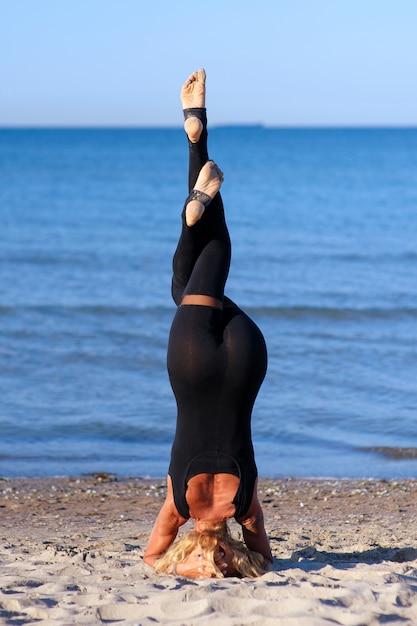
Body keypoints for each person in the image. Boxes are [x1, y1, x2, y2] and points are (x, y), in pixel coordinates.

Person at [143, 69, 273, 578]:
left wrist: (235, 555)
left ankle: (198, 158)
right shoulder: (178, 504)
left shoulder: (245, 506)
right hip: (194, 359)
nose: (212, 567)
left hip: (245, 356)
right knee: (198, 266)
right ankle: (195, 175)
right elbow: (153, 556)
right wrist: (183, 562)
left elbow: (263, 555)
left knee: (195, 276)